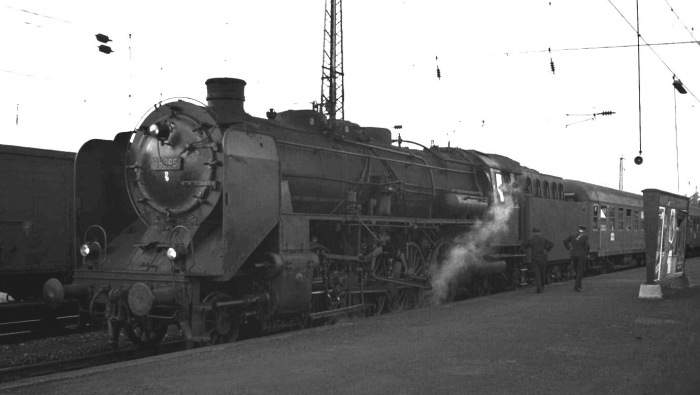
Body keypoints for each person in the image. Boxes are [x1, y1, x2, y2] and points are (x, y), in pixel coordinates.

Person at [524, 227, 554, 293]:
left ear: (533, 233)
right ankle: (542, 287)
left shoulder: (531, 240)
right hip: (543, 258)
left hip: (535, 259)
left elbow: (525, 246)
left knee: (537, 274)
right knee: (542, 273)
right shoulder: (544, 239)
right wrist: (546, 250)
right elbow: (552, 244)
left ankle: (539, 289)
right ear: (539, 232)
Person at [563, 225, 590, 292]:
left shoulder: (572, 235)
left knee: (577, 271)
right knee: (580, 271)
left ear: (578, 229)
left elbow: (565, 241)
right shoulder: (585, 236)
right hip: (581, 256)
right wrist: (587, 252)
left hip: (574, 255)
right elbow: (587, 246)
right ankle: (576, 287)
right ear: (584, 230)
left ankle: (579, 285)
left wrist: (569, 248)